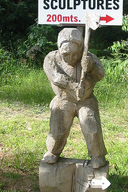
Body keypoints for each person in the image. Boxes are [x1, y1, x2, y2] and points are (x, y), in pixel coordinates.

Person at [43, 27, 107, 169]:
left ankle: (97, 156)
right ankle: (53, 151)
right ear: (60, 49)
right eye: (66, 54)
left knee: (91, 126)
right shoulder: (51, 58)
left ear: (80, 49)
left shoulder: (88, 57)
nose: (71, 57)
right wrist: (73, 86)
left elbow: (100, 75)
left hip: (86, 100)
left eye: (74, 54)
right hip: (64, 99)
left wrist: (90, 68)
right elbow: (56, 78)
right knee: (58, 128)